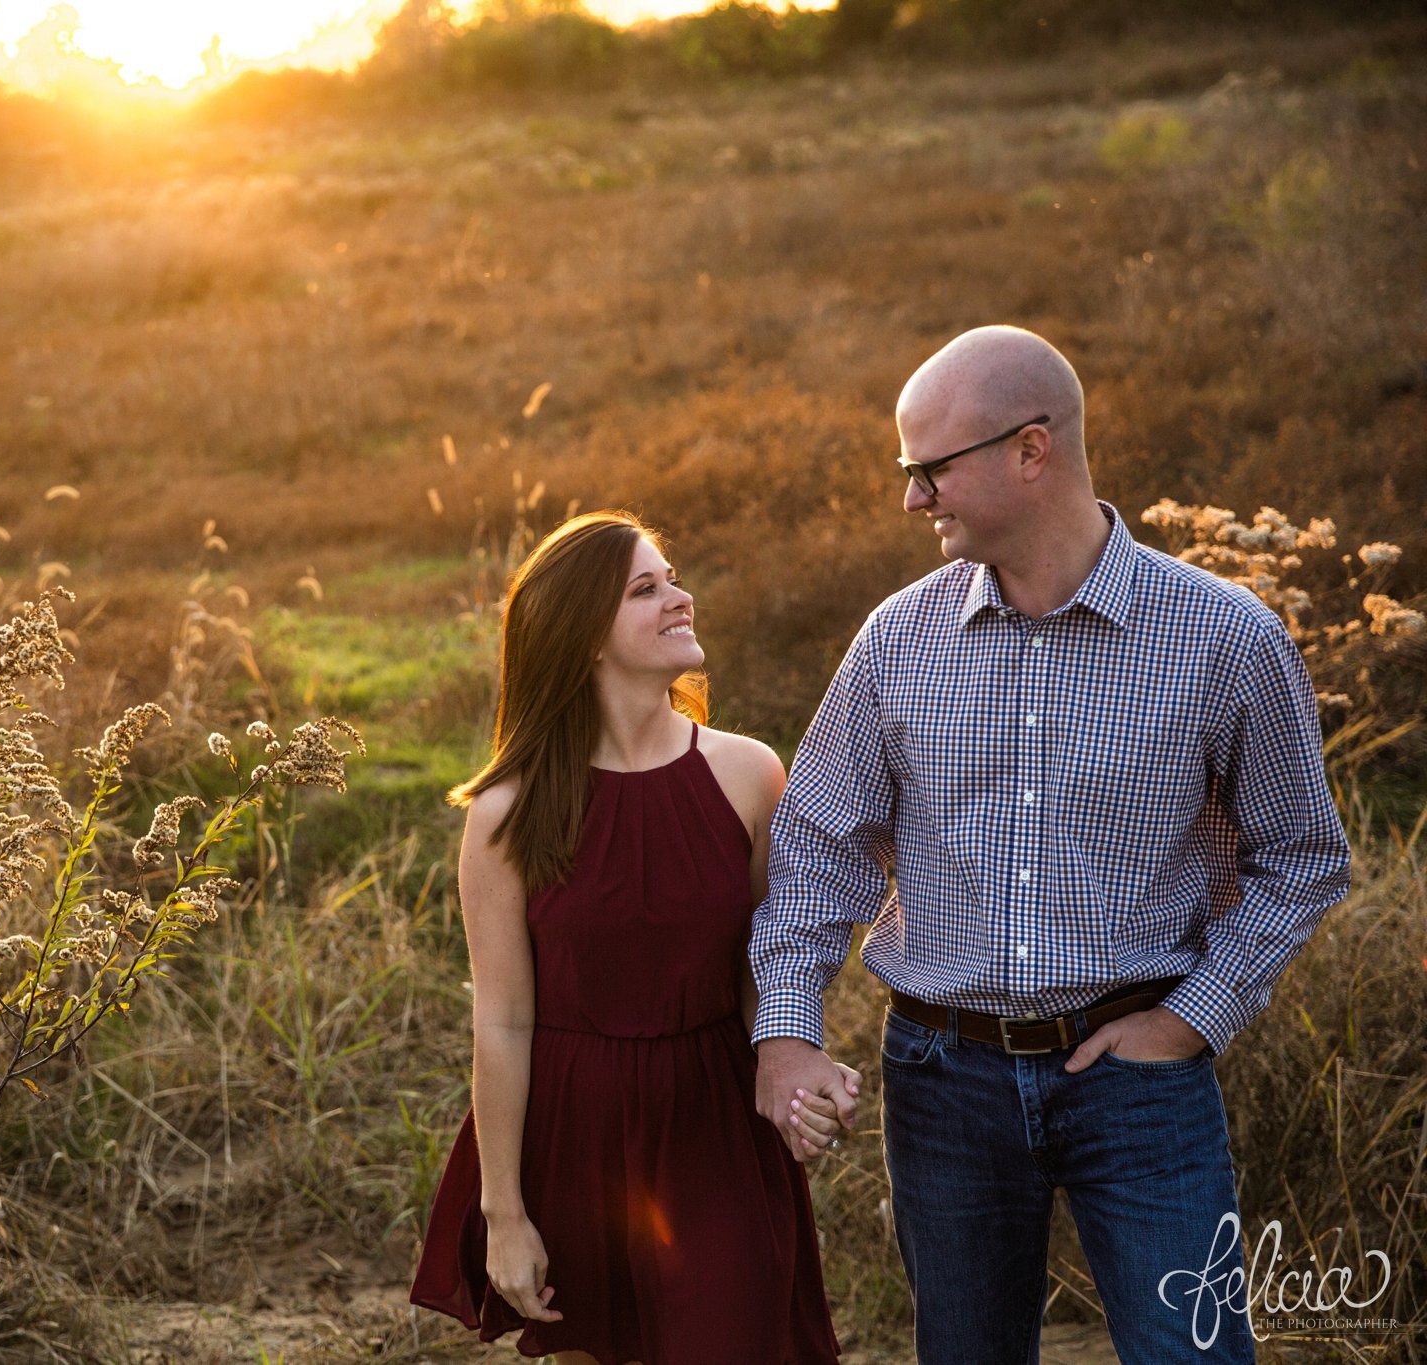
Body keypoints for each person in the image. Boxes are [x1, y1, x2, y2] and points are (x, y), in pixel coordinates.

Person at [750, 325, 1352, 1363]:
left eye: (927, 470)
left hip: (1141, 1082)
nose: (910, 500)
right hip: (940, 1082)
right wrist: (786, 1031)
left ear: (1030, 451)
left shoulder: (1224, 637)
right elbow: (815, 847)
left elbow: (1302, 856)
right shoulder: (894, 640)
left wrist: (1188, 1021)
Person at [410, 510, 848, 1365]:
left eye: (671, 577)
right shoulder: (508, 812)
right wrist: (504, 1212)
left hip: (716, 1122)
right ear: (583, 636)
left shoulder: (750, 773)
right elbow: (501, 1022)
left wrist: (804, 1066)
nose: (680, 598)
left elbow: (772, 967)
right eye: (645, 589)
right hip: (573, 1132)